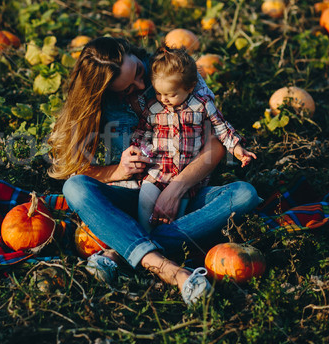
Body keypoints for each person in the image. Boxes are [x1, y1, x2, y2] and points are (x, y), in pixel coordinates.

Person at [48, 37, 260, 306]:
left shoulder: (170, 69)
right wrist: (118, 170)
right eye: (126, 90)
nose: (140, 85)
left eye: (138, 72)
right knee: (75, 187)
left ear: (131, 52)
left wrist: (176, 188)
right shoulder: (100, 105)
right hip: (129, 198)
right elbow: (76, 169)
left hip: (184, 192)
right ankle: (172, 271)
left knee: (244, 194)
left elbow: (215, 146)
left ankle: (123, 248)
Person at [132, 46, 257, 233]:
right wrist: (138, 149)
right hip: (159, 169)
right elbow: (143, 132)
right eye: (159, 93)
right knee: (145, 199)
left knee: (177, 212)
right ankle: (145, 235)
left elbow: (221, 127)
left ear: (190, 87)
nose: (163, 99)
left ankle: (166, 241)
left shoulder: (201, 105)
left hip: (187, 174)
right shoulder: (153, 108)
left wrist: (237, 148)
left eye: (170, 94)